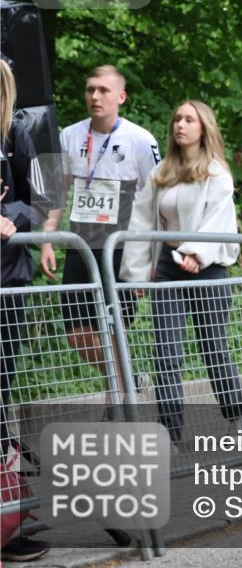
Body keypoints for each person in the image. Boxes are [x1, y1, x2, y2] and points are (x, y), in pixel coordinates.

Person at [121, 100, 242, 448]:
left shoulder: (217, 173)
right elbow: (142, 221)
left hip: (208, 270)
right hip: (168, 269)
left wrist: (196, 252)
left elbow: (219, 220)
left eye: (189, 119)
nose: (181, 124)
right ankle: (172, 434)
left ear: (203, 128)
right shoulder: (161, 172)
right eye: (177, 118)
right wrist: (135, 275)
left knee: (213, 347)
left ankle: (236, 415)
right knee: (166, 352)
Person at [38, 65, 160, 403]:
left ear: (120, 97)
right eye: (90, 89)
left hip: (122, 250)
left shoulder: (140, 140)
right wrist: (47, 239)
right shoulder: (69, 136)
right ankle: (127, 380)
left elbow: (157, 202)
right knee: (78, 336)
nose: (95, 96)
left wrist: (151, 258)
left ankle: (119, 403)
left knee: (112, 329)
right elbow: (55, 195)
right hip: (80, 247)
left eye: (104, 90)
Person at [1, 60, 52, 563]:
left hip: (7, 286)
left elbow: (40, 200)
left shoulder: (16, 133)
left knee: (0, 394)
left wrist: (12, 218)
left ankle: (9, 522)